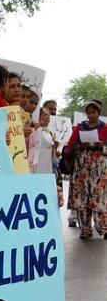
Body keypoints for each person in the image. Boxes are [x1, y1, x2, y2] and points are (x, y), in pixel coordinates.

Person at [65, 100, 107, 239]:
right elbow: (70, 143)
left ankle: (103, 228)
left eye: (93, 112)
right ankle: (85, 229)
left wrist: (101, 146)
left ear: (98, 113)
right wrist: (78, 146)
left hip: (98, 168)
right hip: (81, 167)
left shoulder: (104, 127)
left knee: (98, 197)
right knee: (82, 199)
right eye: (88, 113)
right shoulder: (80, 127)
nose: (90, 115)